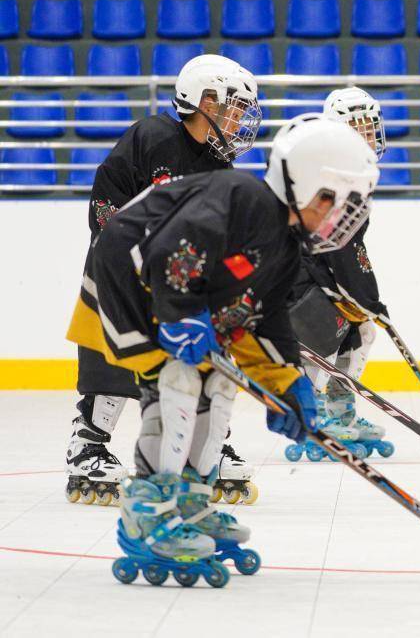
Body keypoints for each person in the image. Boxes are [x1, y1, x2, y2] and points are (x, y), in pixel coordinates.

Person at [66, 115, 379, 587]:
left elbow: (265, 322)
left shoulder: (285, 246)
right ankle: (148, 511)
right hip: (126, 287)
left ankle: (189, 498)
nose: (341, 216)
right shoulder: (242, 199)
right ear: (309, 183)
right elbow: (176, 248)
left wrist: (288, 383)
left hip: (168, 296)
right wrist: (181, 316)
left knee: (220, 382)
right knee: (180, 379)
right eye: (334, 201)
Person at [66, 54, 260, 507]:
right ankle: (88, 444)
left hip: (176, 288)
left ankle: (206, 446)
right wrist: (126, 259)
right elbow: (107, 199)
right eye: (233, 106)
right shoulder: (151, 136)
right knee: (113, 355)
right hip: (122, 275)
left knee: (201, 360)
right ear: (204, 99)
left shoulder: (220, 169)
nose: (238, 119)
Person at [284, 89, 393, 462]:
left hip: (314, 276)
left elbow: (350, 252)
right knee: (321, 333)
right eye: (356, 128)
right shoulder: (325, 175)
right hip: (291, 281)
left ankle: (339, 411)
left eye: (369, 127)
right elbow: (334, 251)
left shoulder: (352, 175)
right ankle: (309, 415)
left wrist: (366, 303)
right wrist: (366, 299)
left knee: (361, 331)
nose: (366, 135)